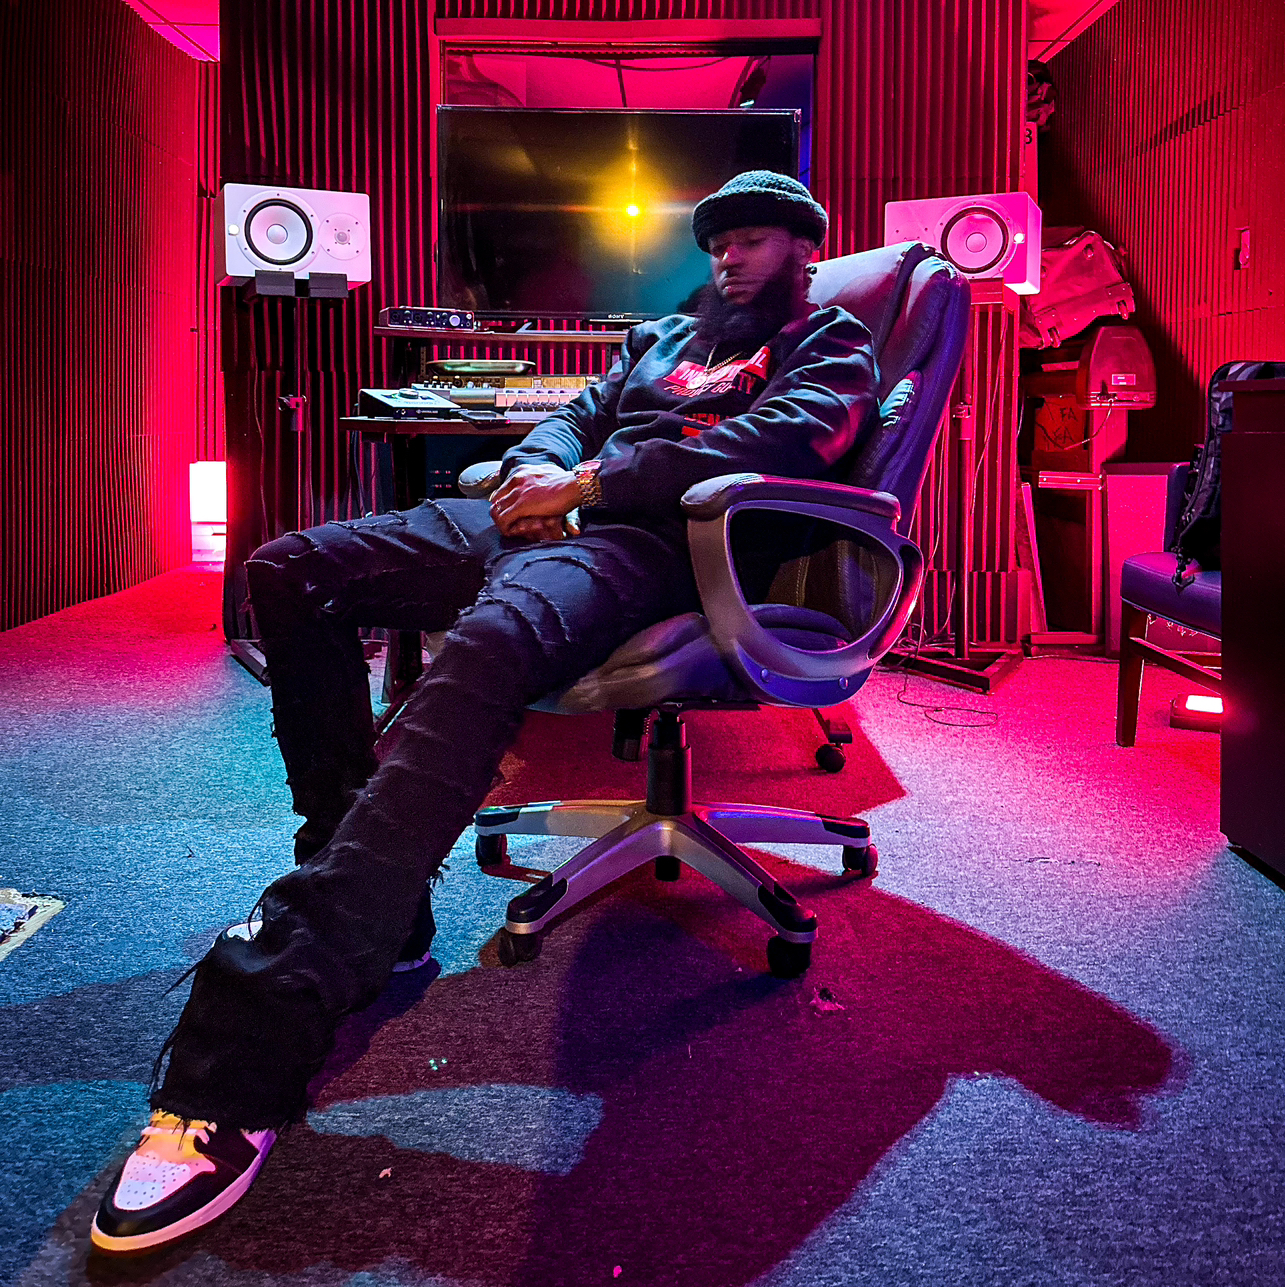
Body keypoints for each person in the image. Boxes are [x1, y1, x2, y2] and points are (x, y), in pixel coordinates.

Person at [89, 170, 880, 1253]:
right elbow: (571, 420)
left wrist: (590, 487)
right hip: (543, 524)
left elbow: (781, 444)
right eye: (720, 242)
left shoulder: (828, 340)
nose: (730, 258)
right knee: (289, 569)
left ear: (803, 249)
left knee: (487, 644)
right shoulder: (663, 336)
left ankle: (249, 1046)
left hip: (661, 547)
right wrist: (530, 476)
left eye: (754, 240)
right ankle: (372, 893)